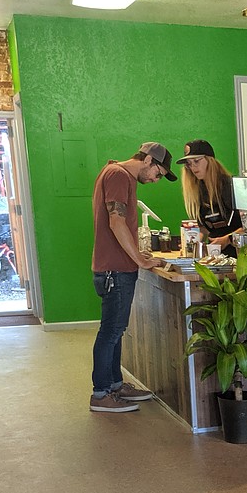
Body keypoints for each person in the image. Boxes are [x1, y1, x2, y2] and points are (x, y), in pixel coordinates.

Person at [90, 141, 175, 413]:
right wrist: (139, 259)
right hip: (115, 269)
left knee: (116, 331)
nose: (156, 180)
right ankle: (100, 394)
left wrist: (139, 257)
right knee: (110, 331)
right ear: (148, 160)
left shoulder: (118, 174)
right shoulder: (118, 175)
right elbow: (116, 222)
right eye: (159, 173)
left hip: (118, 267)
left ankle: (114, 385)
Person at [176, 140, 246, 256]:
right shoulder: (198, 191)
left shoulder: (232, 187)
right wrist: (193, 241)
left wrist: (228, 239)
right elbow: (205, 228)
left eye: (196, 161)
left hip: (243, 257)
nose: (193, 167)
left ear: (210, 160)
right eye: (188, 164)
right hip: (217, 257)